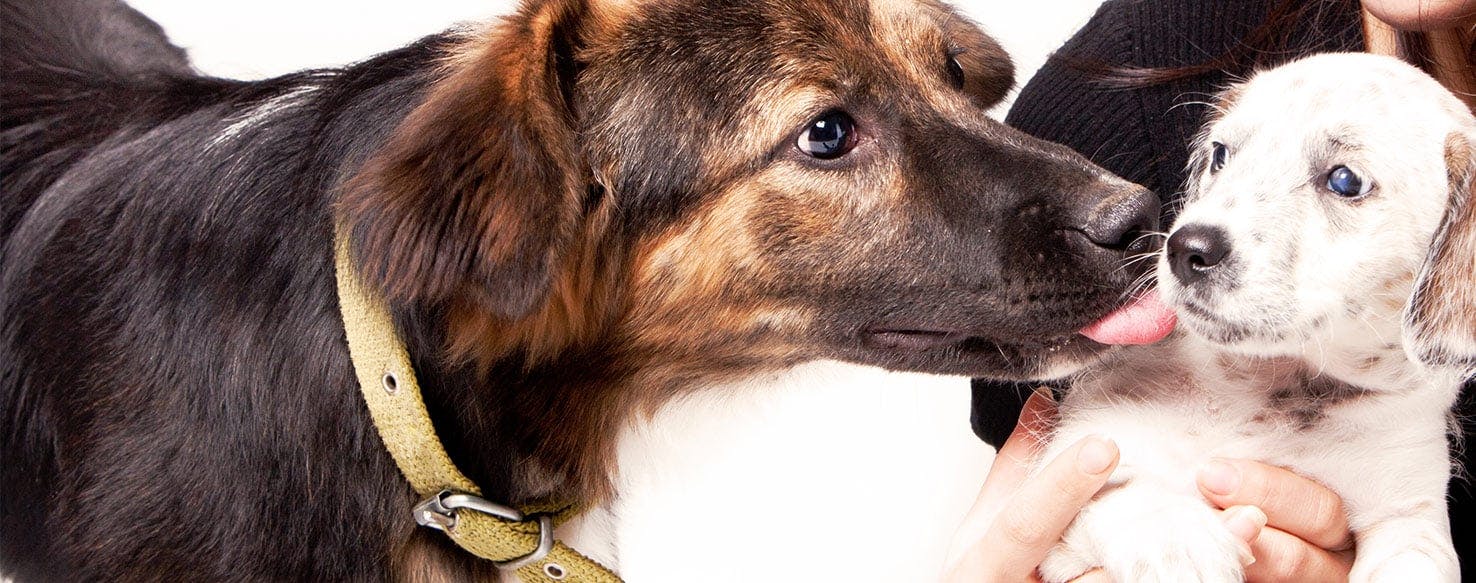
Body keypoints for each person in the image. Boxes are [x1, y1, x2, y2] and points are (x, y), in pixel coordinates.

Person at [949, 0, 1476, 580]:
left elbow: (1409, 534)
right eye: (1223, 156)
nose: (1202, 233)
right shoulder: (1129, 79)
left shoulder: (1402, 418)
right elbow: (1044, 512)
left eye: (1345, 182)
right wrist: (1140, 523)